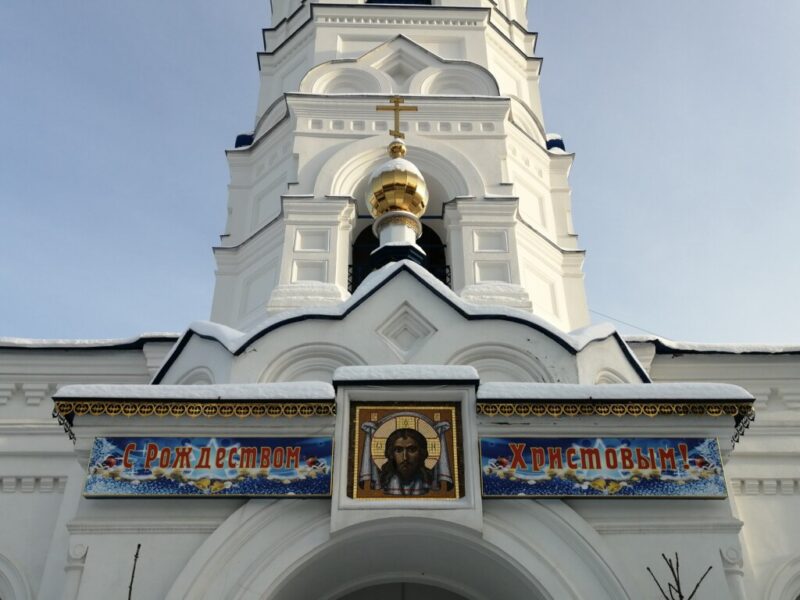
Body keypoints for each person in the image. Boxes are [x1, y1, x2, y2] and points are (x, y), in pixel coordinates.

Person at [378, 428, 434, 496]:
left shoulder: (432, 483)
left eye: (412, 450)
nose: (405, 458)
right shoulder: (381, 484)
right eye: (398, 450)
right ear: (391, 454)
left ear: (421, 453)